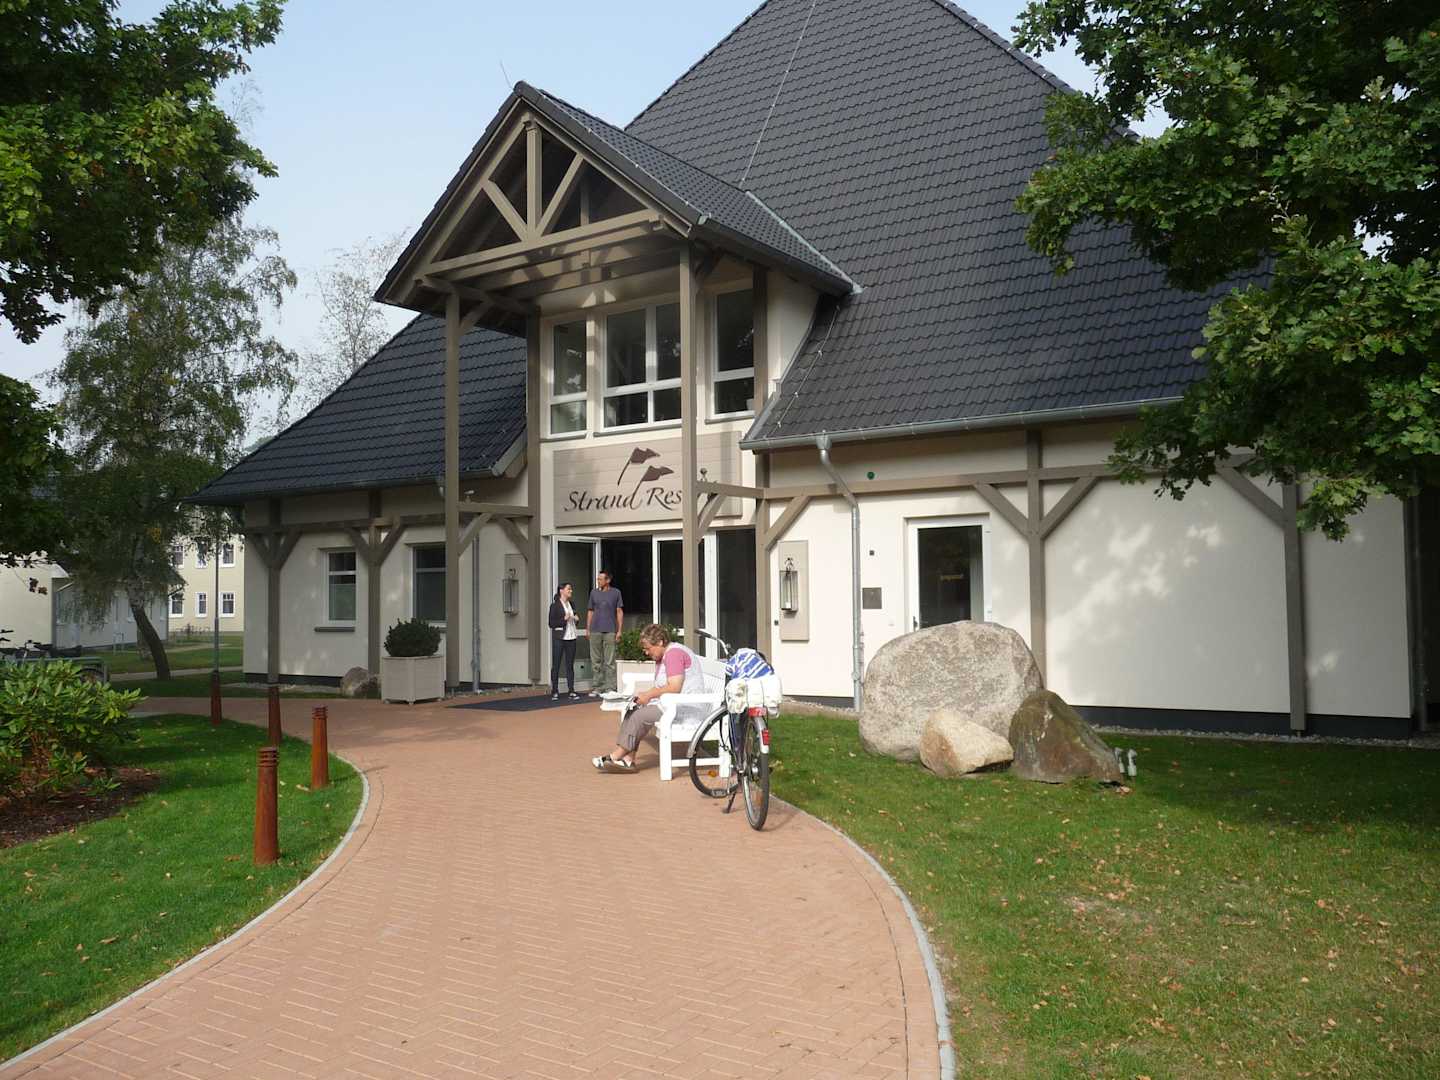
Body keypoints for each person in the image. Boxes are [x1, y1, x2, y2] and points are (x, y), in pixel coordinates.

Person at [592, 623, 703, 772]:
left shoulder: (674, 654)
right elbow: (666, 686)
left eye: (648, 648)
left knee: (639, 716)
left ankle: (616, 756)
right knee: (633, 710)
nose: (645, 653)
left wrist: (649, 695)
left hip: (685, 707)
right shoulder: (666, 655)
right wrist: (645, 696)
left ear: (660, 642)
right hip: (672, 703)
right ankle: (628, 759)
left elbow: (674, 687)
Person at [585, 570, 623, 696]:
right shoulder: (594, 593)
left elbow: (619, 611)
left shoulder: (616, 593)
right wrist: (588, 629)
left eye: (600, 579)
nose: (598, 581)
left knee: (610, 661)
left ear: (608, 580)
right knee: (596, 661)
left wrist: (619, 630)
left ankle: (610, 687)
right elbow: (590, 611)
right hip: (595, 630)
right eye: (598, 579)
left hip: (610, 630)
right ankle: (598, 687)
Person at [547, 582, 580, 700]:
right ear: (561, 591)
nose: (571, 591)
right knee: (556, 664)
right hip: (559, 638)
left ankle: (571, 690)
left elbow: (576, 618)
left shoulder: (572, 604)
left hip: (571, 637)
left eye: (571, 589)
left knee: (570, 665)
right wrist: (564, 619)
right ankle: (555, 690)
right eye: (568, 589)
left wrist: (576, 619)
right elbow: (551, 623)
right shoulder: (554, 606)